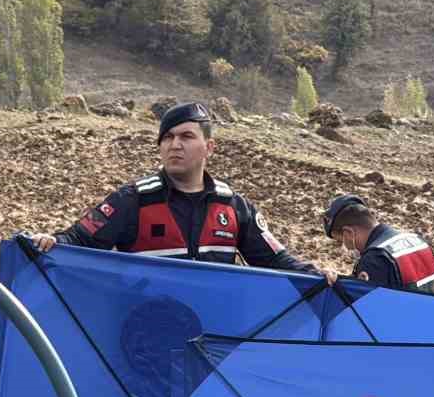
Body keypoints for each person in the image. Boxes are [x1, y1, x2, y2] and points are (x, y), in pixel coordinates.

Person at [28, 102, 317, 274]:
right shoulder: (132, 200)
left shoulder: (233, 206)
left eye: (187, 137)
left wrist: (318, 275)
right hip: (141, 336)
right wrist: (48, 242)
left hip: (214, 336)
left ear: (209, 147)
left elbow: (274, 259)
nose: (175, 145)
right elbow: (78, 240)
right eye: (167, 137)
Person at [320, 193, 434, 292]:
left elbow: (365, 306)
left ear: (348, 233)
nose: (344, 246)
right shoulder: (417, 240)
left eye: (341, 240)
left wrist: (335, 285)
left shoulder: (374, 259)